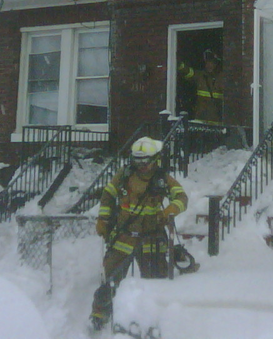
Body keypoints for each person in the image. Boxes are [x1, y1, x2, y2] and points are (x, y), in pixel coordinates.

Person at [89, 137, 188, 331]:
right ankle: (99, 317)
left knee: (156, 284)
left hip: (151, 239)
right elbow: (108, 196)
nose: (141, 166)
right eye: (137, 161)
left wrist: (169, 210)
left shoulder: (162, 179)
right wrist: (103, 219)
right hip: (123, 237)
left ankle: (154, 323)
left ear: (155, 159)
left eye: (146, 161)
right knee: (110, 279)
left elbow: (182, 197)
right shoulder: (124, 175)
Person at [178, 48, 224, 123]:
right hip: (201, 121)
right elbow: (189, 73)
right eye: (208, 62)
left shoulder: (223, 79)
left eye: (212, 63)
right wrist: (180, 65)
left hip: (217, 123)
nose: (209, 65)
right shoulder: (201, 76)